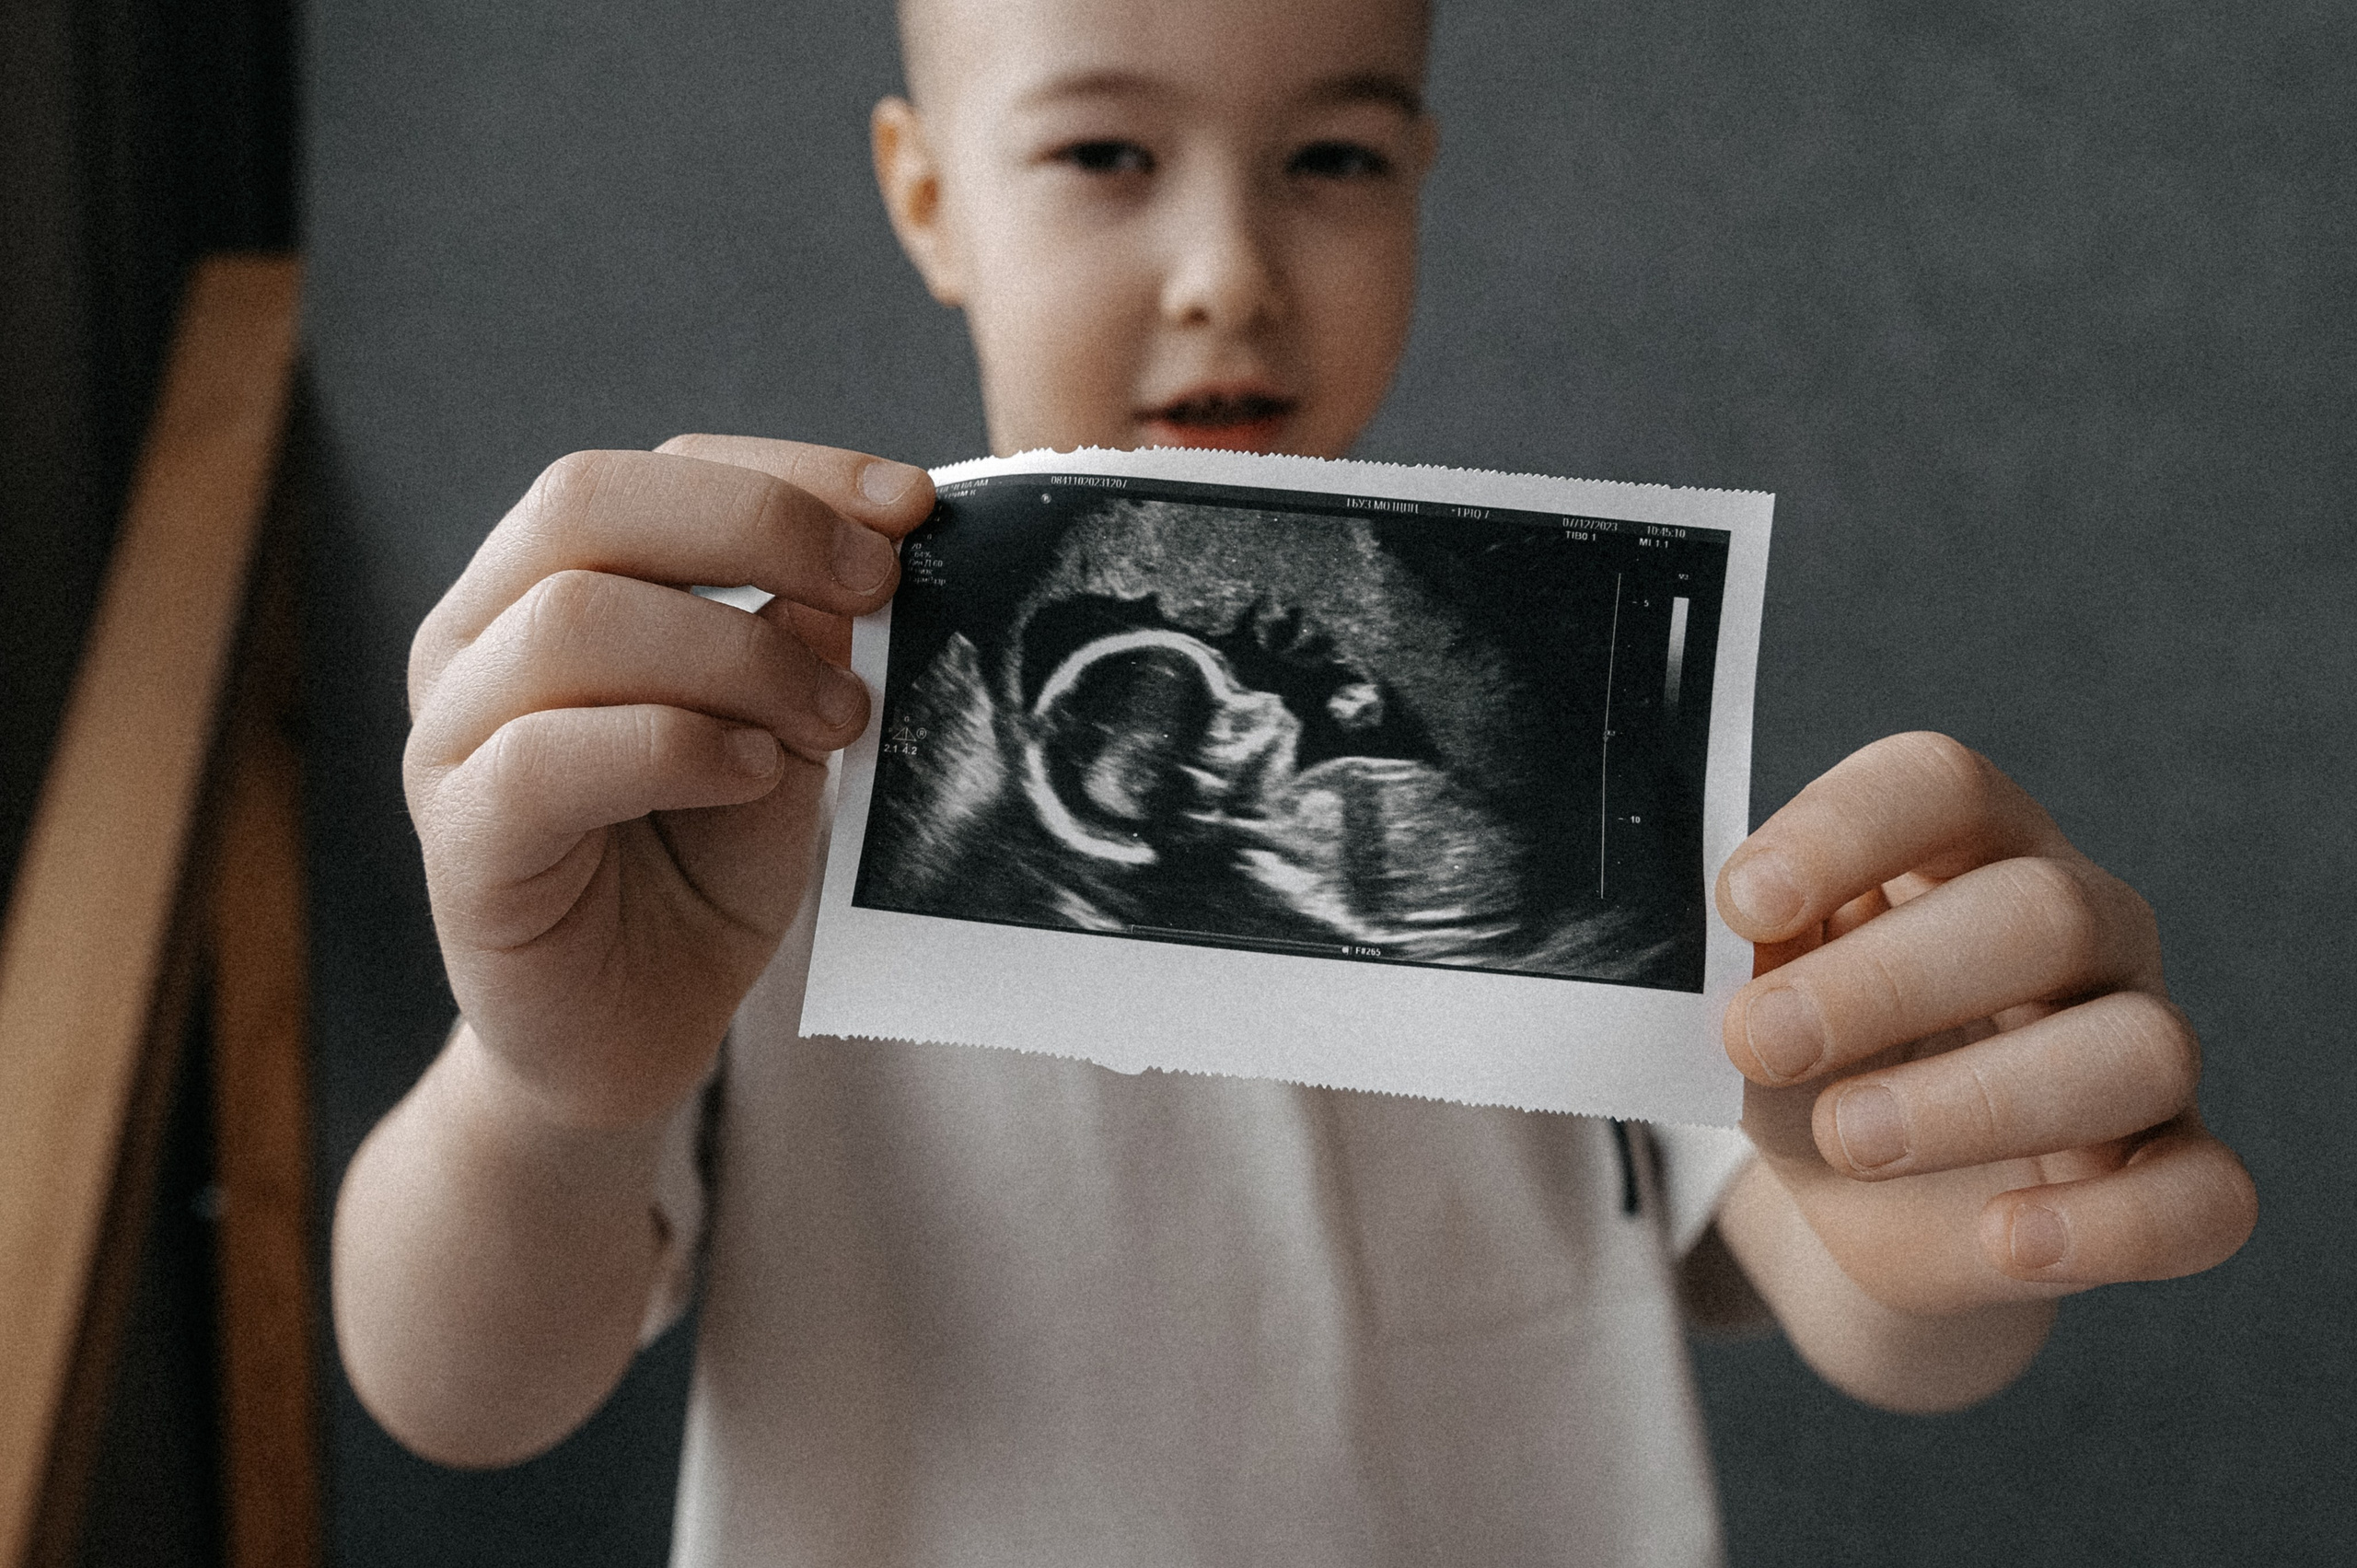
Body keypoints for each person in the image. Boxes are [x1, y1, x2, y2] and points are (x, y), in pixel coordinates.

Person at [331, 0, 2258, 1561]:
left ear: (1420, 172)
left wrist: (1949, 1169)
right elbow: (453, 1389)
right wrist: (548, 1092)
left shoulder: (1580, 789)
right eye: (1104, 153)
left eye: (1331, 157)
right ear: (926, 194)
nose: (1228, 274)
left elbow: (1890, 1319)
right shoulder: (749, 778)